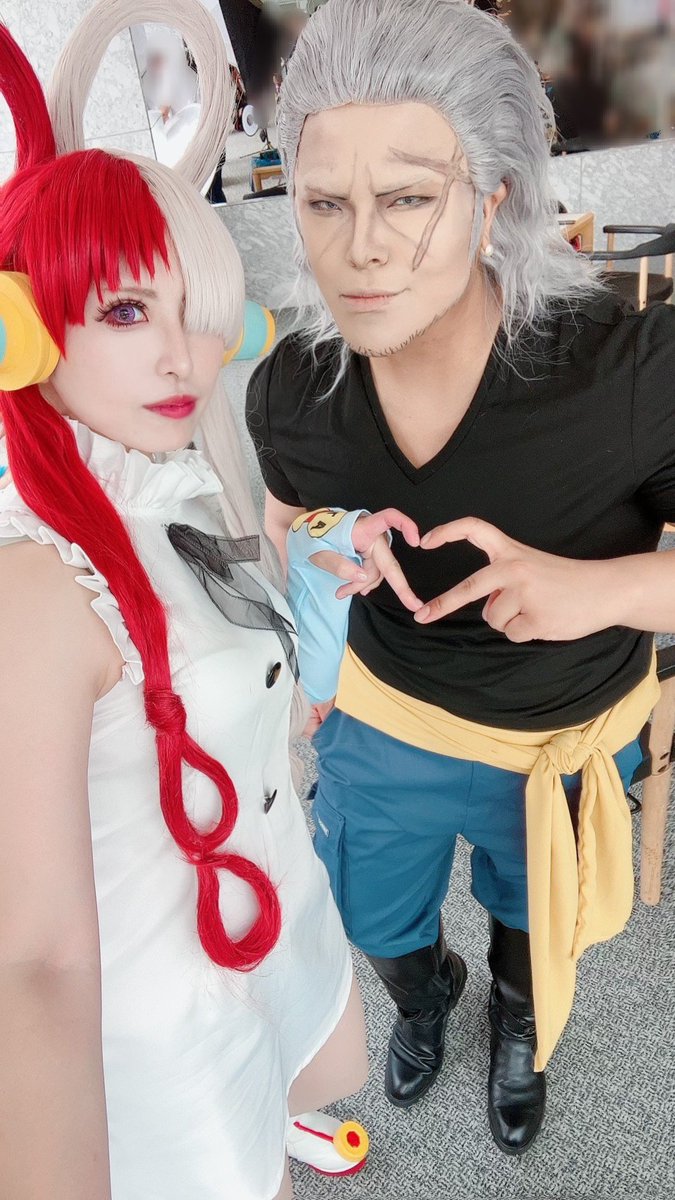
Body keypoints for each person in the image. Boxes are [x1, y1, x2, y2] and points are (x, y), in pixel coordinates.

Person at [246, 0, 675, 1158]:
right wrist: (319, 554)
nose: (359, 249)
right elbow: (287, 522)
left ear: (492, 200)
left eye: (406, 199)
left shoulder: (628, 373)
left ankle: (517, 1023)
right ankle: (428, 994)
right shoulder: (292, 391)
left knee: (537, 917)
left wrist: (600, 591)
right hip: (386, 722)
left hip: (559, 732)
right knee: (375, 913)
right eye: (324, 203)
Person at [0, 2, 369, 1197]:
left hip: (272, 914)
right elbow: (37, 963)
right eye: (125, 310)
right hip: (162, 1021)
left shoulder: (176, 474)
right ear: (21, 330)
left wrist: (315, 572)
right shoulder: (32, 588)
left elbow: (233, 640)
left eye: (197, 317)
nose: (182, 359)